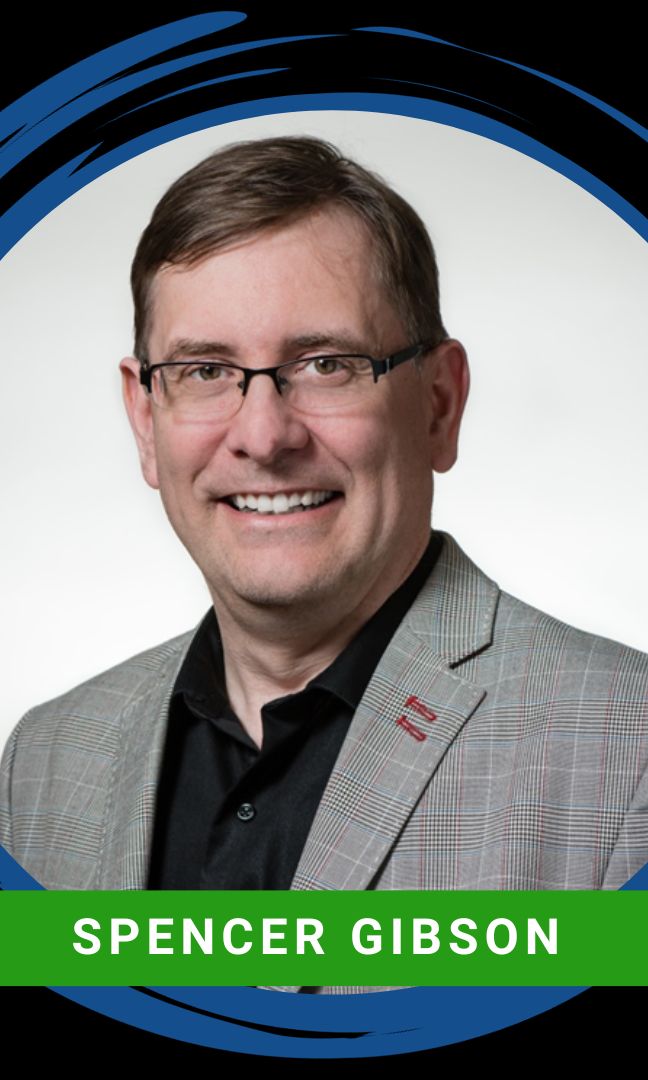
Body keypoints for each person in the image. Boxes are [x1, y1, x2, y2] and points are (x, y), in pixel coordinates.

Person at [1, 136, 647, 933]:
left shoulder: (627, 751)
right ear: (145, 419)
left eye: (326, 364)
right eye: (205, 370)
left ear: (439, 404)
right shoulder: (45, 761)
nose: (263, 437)